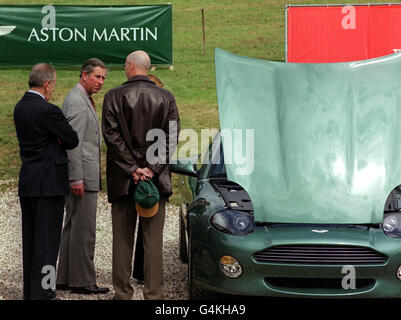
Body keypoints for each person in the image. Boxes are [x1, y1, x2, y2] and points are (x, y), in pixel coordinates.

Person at [102, 50, 180, 300]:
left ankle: (122, 294)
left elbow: (112, 137)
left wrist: (133, 168)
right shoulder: (166, 97)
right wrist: (151, 168)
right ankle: (154, 295)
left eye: (125, 65)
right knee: (153, 242)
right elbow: (171, 137)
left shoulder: (113, 96)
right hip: (155, 181)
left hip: (123, 179)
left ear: (130, 66)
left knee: (122, 241)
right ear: (147, 68)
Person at [14, 63, 79, 300]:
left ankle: (32, 292)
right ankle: (45, 292)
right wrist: (57, 140)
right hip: (49, 184)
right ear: (47, 84)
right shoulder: (48, 111)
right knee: (49, 243)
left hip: (29, 182)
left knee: (31, 240)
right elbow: (71, 139)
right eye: (53, 86)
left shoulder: (20, 107)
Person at [56, 58, 109, 294]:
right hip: (82, 176)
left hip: (83, 174)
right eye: (97, 77)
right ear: (84, 75)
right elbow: (72, 142)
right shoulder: (77, 101)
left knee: (73, 225)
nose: (100, 82)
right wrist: (76, 177)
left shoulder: (81, 98)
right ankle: (83, 281)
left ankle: (65, 278)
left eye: (103, 78)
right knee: (84, 229)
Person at [132, 73, 164, 284]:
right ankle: (145, 273)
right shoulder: (161, 110)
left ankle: (141, 271)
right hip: (150, 172)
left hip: (139, 170)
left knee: (144, 225)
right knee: (149, 225)